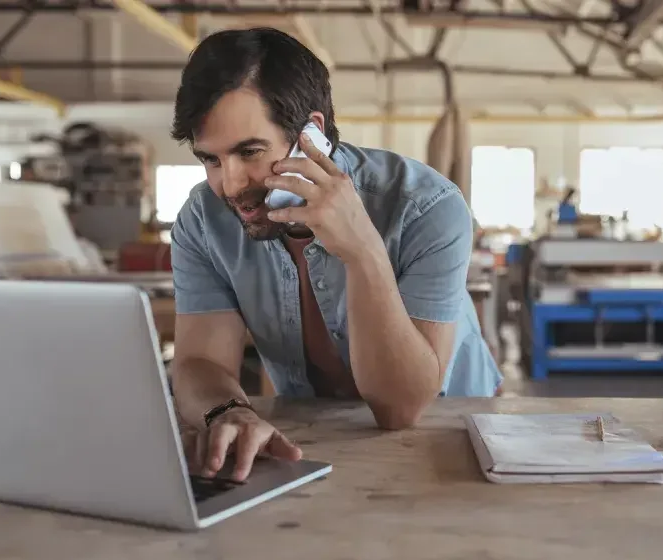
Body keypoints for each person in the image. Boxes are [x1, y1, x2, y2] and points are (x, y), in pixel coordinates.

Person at [167, 27, 502, 482]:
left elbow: (400, 408)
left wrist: (362, 252)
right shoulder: (203, 220)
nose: (230, 184)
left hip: (454, 433)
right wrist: (228, 411)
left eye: (250, 152)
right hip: (311, 435)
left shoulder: (427, 207)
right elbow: (198, 363)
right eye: (210, 159)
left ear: (312, 133)